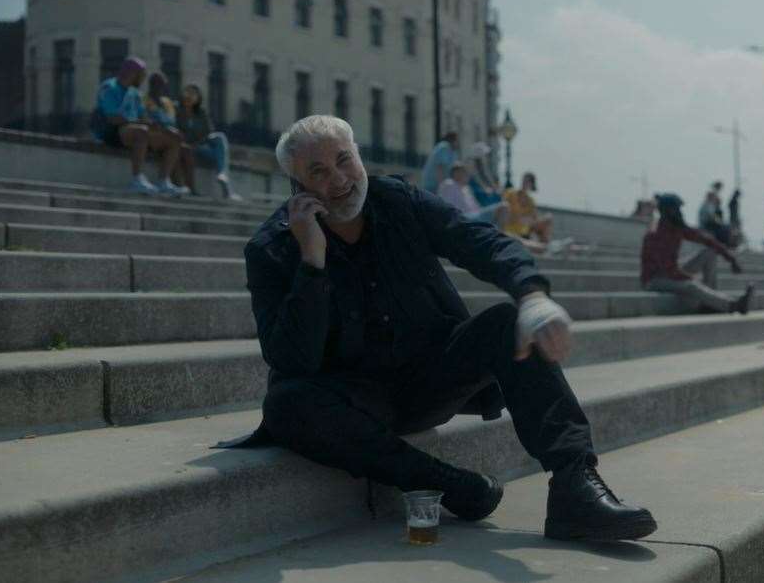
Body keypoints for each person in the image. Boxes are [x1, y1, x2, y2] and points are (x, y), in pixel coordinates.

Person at [220, 115, 657, 542]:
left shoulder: (399, 201)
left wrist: (531, 294)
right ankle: (452, 485)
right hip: (351, 398)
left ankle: (574, 485)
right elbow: (291, 359)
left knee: (507, 322)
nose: (338, 179)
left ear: (359, 158)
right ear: (297, 188)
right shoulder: (272, 248)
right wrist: (312, 264)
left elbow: (478, 240)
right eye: (318, 171)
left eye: (344, 160)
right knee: (285, 404)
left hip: (429, 378)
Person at [641, 193, 753, 314]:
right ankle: (733, 305)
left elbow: (706, 240)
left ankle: (709, 305)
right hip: (655, 280)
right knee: (690, 285)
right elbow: (667, 269)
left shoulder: (678, 228)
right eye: (677, 209)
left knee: (709, 252)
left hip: (670, 272)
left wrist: (731, 258)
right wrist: (690, 278)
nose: (680, 212)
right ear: (667, 211)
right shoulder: (655, 235)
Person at [91, 57, 184, 195]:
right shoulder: (109, 87)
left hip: (132, 130)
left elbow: (142, 116)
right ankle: (137, 179)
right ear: (133, 73)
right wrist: (142, 123)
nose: (143, 79)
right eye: (142, 75)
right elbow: (113, 118)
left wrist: (158, 127)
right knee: (141, 131)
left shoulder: (135, 93)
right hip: (110, 131)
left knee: (175, 137)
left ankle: (164, 181)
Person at [175, 83, 241, 200]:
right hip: (186, 147)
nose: (189, 96)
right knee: (219, 156)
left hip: (201, 146)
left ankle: (222, 175)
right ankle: (227, 189)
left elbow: (208, 132)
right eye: (187, 93)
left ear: (198, 98)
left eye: (193, 94)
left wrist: (200, 140)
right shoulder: (177, 110)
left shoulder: (201, 113)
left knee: (219, 137)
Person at [141, 72, 190, 197]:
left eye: (162, 86)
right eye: (157, 85)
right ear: (151, 85)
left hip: (169, 135)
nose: (160, 88)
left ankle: (182, 186)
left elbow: (172, 121)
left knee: (184, 149)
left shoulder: (167, 103)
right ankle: (165, 181)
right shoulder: (144, 100)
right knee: (175, 142)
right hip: (153, 135)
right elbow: (145, 120)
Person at [438, 161, 508, 226]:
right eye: (465, 172)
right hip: (463, 218)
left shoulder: (466, 188)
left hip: (473, 216)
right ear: (456, 173)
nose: (468, 175)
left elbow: (476, 207)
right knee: (503, 207)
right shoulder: (449, 184)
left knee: (503, 207)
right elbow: (446, 207)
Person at [502, 172, 554, 244]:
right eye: (524, 180)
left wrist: (527, 220)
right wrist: (520, 218)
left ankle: (546, 244)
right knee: (505, 207)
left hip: (524, 233)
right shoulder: (510, 193)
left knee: (548, 217)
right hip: (509, 230)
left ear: (532, 184)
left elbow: (535, 220)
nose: (524, 183)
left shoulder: (531, 201)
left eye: (527, 181)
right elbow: (503, 211)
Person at [466, 141, 503, 207]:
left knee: (498, 196)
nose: (486, 156)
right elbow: (477, 180)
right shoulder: (472, 165)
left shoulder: (482, 166)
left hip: (482, 192)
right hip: (476, 192)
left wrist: (494, 188)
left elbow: (487, 180)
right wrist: (488, 189)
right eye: (484, 154)